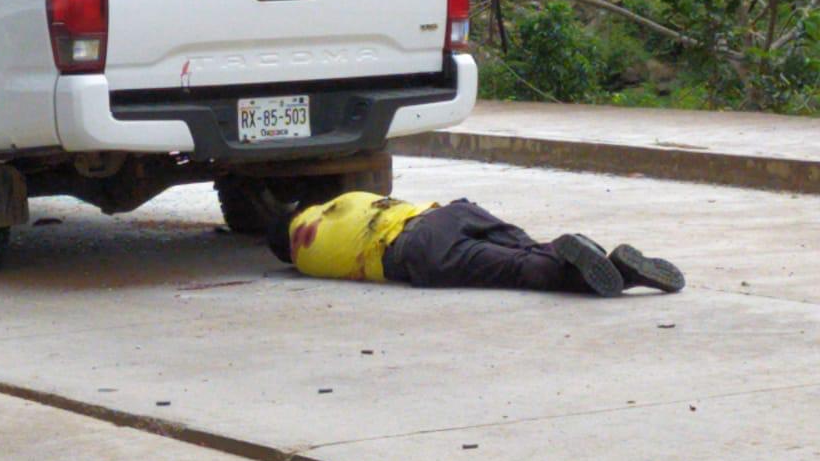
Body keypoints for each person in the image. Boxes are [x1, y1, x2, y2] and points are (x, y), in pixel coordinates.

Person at [268, 192, 684, 297]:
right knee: (525, 246)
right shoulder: (321, 211)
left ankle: (620, 274)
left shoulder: (307, 261)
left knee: (518, 270)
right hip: (442, 216)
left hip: (416, 253)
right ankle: (593, 258)